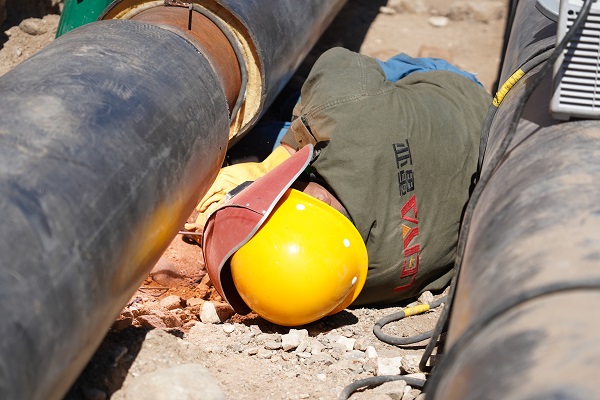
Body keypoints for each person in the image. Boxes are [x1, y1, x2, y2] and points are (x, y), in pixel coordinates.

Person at [185, 47, 492, 325]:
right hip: (463, 101)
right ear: (314, 201)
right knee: (279, 125)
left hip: (469, 158)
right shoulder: (352, 115)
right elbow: (339, 60)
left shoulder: (356, 285)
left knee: (265, 134)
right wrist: (289, 151)